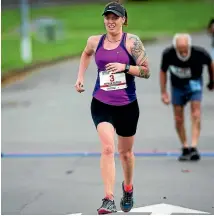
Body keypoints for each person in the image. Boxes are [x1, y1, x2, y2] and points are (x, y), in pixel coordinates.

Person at [74, 1, 150, 214]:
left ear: (123, 19)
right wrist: (80, 77)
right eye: (107, 17)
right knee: (108, 149)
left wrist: (124, 67)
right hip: (101, 103)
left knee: (125, 153)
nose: (110, 21)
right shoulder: (94, 41)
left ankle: (128, 188)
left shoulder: (132, 42)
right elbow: (86, 53)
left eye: (115, 17)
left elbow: (146, 71)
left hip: (127, 105)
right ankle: (108, 198)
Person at [159, 33, 214, 162]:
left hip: (194, 83)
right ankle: (185, 146)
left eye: (185, 49)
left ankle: (194, 146)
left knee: (196, 113)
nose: (183, 52)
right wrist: (164, 92)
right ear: (175, 47)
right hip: (177, 86)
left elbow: (211, 64)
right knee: (178, 117)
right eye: (180, 49)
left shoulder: (199, 53)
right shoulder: (168, 54)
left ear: (189, 46)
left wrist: (212, 81)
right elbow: (163, 71)